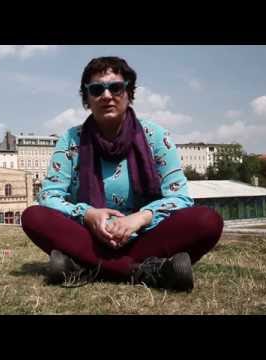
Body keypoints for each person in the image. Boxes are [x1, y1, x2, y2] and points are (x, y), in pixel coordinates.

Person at [21, 56, 223, 292]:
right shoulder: (70, 140)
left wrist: (139, 218)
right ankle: (146, 270)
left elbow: (180, 198)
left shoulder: (156, 136)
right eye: (96, 89)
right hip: (90, 237)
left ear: (129, 93)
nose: (106, 96)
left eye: (115, 87)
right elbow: (49, 196)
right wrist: (88, 214)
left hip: (147, 235)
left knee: (207, 221)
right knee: (33, 216)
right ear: (87, 99)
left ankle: (83, 267)